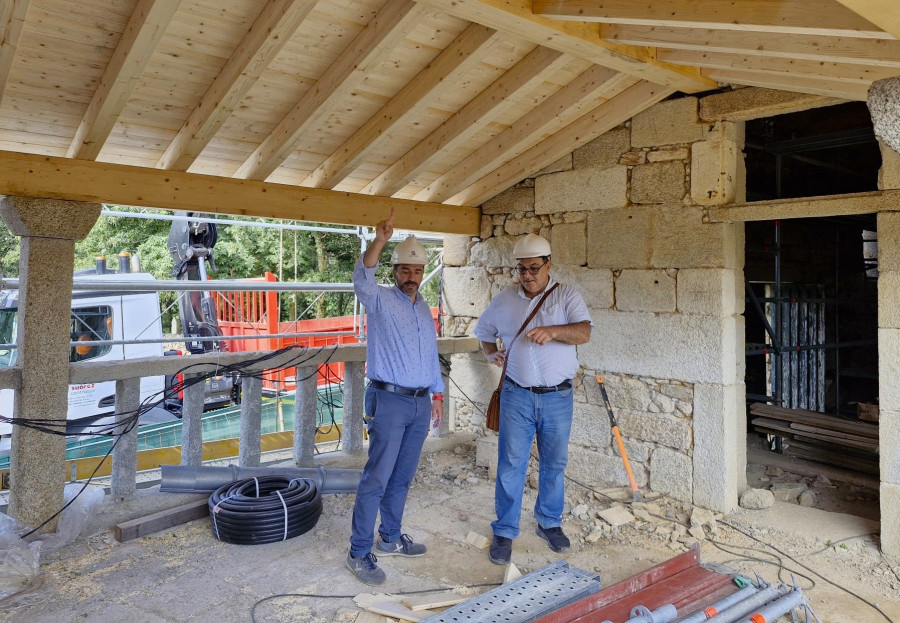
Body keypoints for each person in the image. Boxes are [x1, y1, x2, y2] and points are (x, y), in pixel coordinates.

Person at [474, 233, 592, 565]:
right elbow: (484, 331)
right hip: (517, 395)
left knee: (554, 463)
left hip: (557, 397)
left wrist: (553, 331)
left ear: (548, 265)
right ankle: (505, 530)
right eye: (522, 269)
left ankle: (549, 523)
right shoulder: (505, 299)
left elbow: (584, 332)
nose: (527, 275)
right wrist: (491, 354)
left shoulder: (566, 295)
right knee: (511, 464)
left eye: (534, 268)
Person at [346, 207, 444, 586]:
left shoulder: (423, 308)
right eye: (405, 270)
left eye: (417, 271)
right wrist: (381, 240)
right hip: (389, 400)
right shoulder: (380, 299)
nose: (412, 277)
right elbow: (361, 277)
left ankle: (389, 538)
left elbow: (430, 355)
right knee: (377, 478)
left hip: (420, 402)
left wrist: (436, 394)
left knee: (402, 477)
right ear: (395, 271)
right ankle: (358, 552)